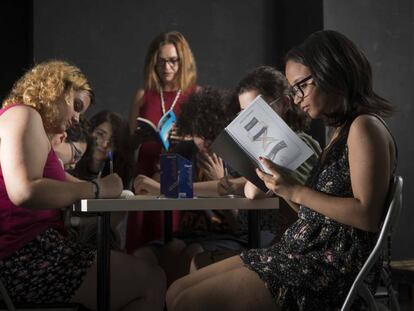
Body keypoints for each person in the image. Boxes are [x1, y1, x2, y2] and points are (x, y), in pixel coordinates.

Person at [166, 30, 397, 310]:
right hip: (302, 253)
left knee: (187, 301)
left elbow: (366, 215)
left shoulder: (364, 127)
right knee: (176, 291)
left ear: (332, 71)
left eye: (301, 85)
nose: (297, 97)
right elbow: (315, 216)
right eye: (293, 89)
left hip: (326, 269)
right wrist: (282, 186)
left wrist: (297, 190)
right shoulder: (339, 133)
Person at [0, 60, 166, 310]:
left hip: (37, 251)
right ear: (56, 90)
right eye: (76, 106)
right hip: (24, 258)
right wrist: (99, 188)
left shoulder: (32, 126)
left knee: (151, 273)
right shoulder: (23, 114)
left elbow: (71, 185)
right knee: (152, 279)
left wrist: (119, 190)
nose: (78, 118)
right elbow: (24, 191)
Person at [127, 30, 199, 252]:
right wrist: (137, 138)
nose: (167, 68)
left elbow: (205, 143)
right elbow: (128, 145)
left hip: (179, 178)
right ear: (153, 63)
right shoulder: (142, 95)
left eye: (173, 61)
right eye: (161, 62)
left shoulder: (194, 95)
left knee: (175, 248)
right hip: (145, 174)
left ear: (183, 61)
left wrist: (186, 138)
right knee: (142, 248)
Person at [72, 110, 132, 249]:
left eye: (112, 141)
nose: (104, 144)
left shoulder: (117, 175)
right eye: (100, 134)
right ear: (90, 131)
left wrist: (74, 221)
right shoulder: (71, 164)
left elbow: (112, 222)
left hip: (98, 237)